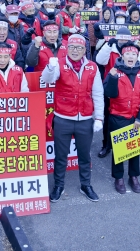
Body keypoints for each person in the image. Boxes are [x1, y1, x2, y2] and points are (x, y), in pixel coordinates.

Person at [42, 34, 104, 202]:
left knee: (85, 155)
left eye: (79, 48)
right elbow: (47, 80)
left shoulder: (92, 67)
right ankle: (59, 186)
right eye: (72, 47)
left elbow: (98, 93)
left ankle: (86, 185)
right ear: (67, 48)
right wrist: (50, 67)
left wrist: (99, 117)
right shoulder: (59, 64)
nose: (75, 51)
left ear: (85, 50)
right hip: (62, 118)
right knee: (60, 156)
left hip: (85, 119)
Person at [103, 41, 140, 194]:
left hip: (136, 117)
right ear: (122, 55)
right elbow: (109, 94)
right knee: (119, 150)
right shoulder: (114, 72)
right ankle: (118, 177)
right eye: (127, 54)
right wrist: (112, 78)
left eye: (133, 54)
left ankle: (133, 176)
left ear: (137, 56)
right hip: (118, 116)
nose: (130, 56)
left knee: (135, 148)